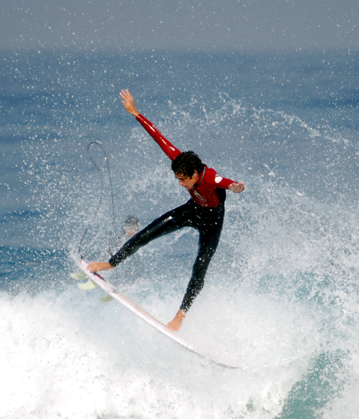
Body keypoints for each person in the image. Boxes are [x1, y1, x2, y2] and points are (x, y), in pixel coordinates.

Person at [88, 89, 245, 332]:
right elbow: (159, 138)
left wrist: (236, 187)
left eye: (183, 180)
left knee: (200, 267)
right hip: (191, 211)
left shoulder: (211, 178)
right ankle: (111, 264)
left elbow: (228, 183)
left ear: (194, 175)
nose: (180, 184)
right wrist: (135, 113)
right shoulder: (181, 161)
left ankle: (180, 316)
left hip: (212, 223)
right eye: (177, 179)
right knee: (146, 234)